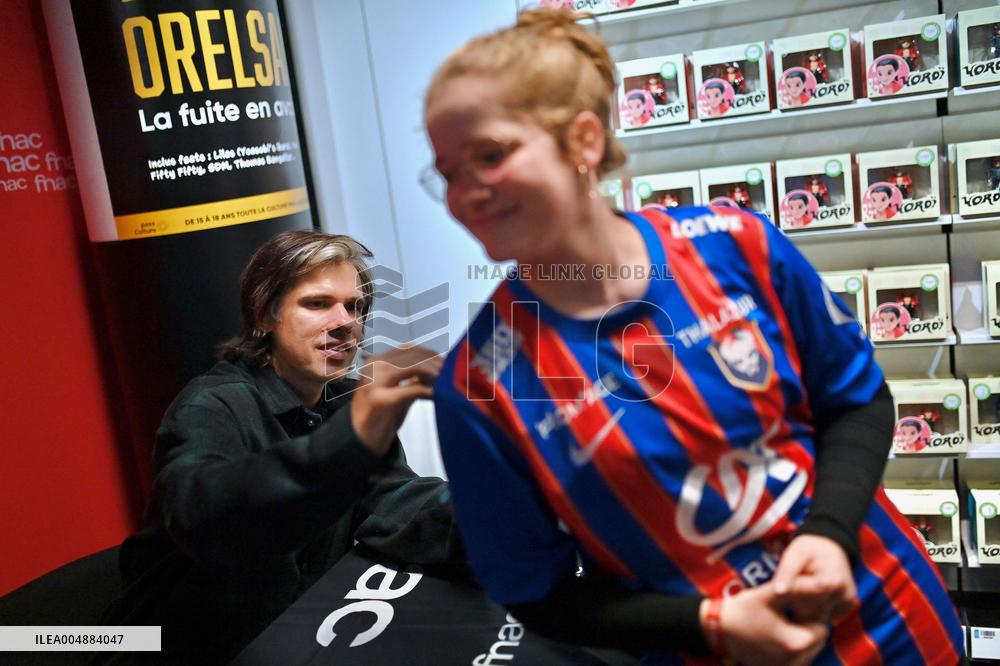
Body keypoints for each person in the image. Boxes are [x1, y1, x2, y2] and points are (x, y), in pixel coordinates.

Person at [424, 8, 963, 665]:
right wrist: (713, 622)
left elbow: (855, 400)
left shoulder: (735, 245)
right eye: (448, 172)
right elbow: (534, 592)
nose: (466, 193)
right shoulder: (478, 384)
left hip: (892, 620)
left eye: (490, 155)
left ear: (583, 141)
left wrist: (828, 536)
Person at [100, 231, 462, 663]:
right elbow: (214, 518)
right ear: (264, 314)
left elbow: (398, 505)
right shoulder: (212, 404)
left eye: (355, 306)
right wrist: (351, 441)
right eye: (317, 304)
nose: (345, 321)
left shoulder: (344, 399)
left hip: (299, 640)